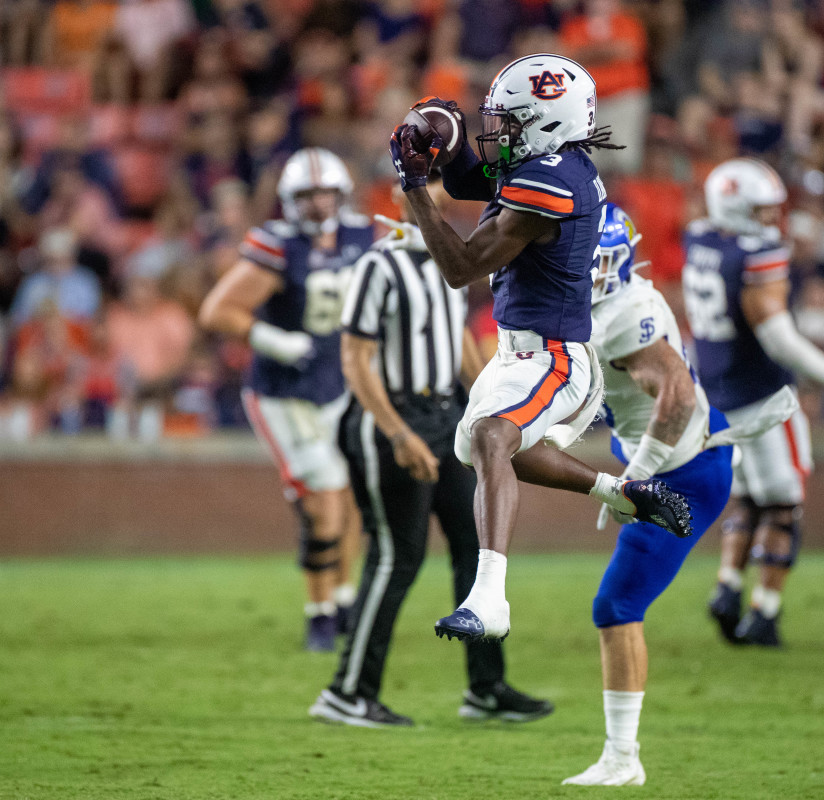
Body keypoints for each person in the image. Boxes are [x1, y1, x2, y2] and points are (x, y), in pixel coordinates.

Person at [388, 55, 692, 644]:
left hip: (555, 357)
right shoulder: (550, 164)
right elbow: (474, 178)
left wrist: (414, 189)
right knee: (490, 448)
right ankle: (618, 493)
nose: (494, 131)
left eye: (507, 121)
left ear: (543, 124)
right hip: (519, 352)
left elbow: (462, 267)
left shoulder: (551, 182)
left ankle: (490, 601)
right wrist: (441, 140)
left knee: (491, 437)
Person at [563, 203, 795, 786]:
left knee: (615, 606)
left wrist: (634, 477)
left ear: (622, 262)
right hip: (687, 456)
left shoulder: (622, 314)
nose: (590, 275)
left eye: (601, 264)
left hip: (681, 475)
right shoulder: (620, 299)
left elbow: (680, 397)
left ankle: (623, 758)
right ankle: (621, 756)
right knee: (617, 606)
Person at [309, 180, 553, 728]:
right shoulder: (379, 265)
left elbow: (460, 346)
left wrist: (491, 407)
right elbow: (355, 360)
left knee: (477, 548)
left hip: (446, 416)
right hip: (392, 418)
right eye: (423, 188)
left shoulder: (451, 259)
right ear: (399, 197)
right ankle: (348, 691)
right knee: (398, 555)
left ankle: (486, 687)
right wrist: (398, 433)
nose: (434, 196)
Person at [682, 158, 824, 647]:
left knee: (748, 497)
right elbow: (779, 340)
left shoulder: (702, 238)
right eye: (762, 210)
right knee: (784, 505)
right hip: (764, 397)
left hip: (718, 393)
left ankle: (728, 585)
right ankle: (764, 613)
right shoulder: (756, 253)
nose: (772, 220)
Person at [198, 148, 366, 652]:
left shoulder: (364, 235)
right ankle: (318, 613)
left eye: (325, 193)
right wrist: (277, 341)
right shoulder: (279, 246)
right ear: (290, 201)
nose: (318, 204)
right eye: (308, 195)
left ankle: (344, 600)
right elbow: (217, 311)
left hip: (340, 383)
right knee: (325, 503)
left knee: (351, 501)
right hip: (284, 391)